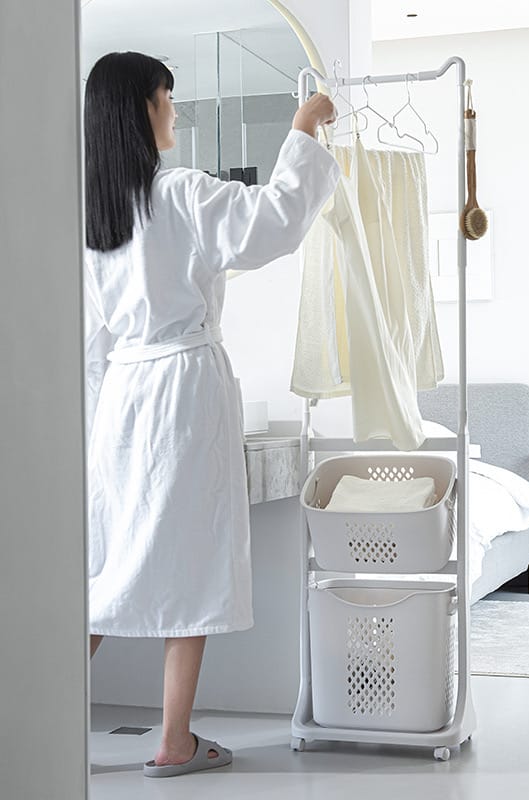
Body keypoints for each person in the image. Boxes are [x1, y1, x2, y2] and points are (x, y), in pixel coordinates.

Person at [83, 51, 338, 778]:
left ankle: (44, 716)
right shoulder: (183, 194)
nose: (175, 112)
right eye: (168, 97)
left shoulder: (94, 220)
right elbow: (276, 223)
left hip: (119, 404)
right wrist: (302, 130)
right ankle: (174, 740)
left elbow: (92, 341)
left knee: (110, 566)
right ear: (142, 109)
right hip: (182, 393)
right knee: (189, 563)